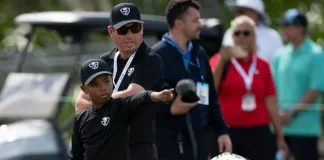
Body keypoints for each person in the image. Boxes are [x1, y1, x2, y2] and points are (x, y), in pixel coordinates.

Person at [74, 3, 165, 160]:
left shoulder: (150, 60)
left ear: (142, 28)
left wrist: (98, 106)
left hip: (138, 150)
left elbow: (132, 95)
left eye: (135, 28)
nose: (130, 35)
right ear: (111, 31)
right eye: (123, 30)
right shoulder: (105, 61)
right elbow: (81, 102)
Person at [151, 1, 232, 160]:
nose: (200, 25)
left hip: (200, 141)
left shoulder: (199, 54)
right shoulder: (155, 56)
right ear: (179, 24)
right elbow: (144, 100)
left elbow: (211, 96)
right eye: (195, 21)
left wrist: (222, 131)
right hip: (170, 144)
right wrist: (170, 109)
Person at [210, 15, 286, 160]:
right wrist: (222, 60)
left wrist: (279, 135)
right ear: (232, 37)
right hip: (228, 131)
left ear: (254, 37)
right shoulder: (219, 60)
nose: (241, 37)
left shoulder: (263, 65)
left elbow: (271, 102)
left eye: (246, 33)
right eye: (237, 33)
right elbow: (210, 90)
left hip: (258, 132)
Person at [70, 59, 173, 160]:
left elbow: (138, 97)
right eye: (95, 85)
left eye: (106, 81)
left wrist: (156, 95)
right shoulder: (80, 118)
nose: (103, 88)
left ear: (113, 81)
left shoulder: (120, 106)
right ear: (84, 89)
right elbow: (76, 154)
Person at [272, 9, 324, 160]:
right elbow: (271, 88)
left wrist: (291, 114)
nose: (284, 29)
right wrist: (278, 115)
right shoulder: (279, 55)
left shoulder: (317, 54)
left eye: (287, 25)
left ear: (300, 28)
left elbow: (315, 90)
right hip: (279, 128)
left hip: (305, 129)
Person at [214, 0, 283, 63]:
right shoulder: (229, 33)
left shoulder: (272, 36)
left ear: (256, 13)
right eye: (236, 11)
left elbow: (279, 66)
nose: (237, 15)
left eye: (241, 11)